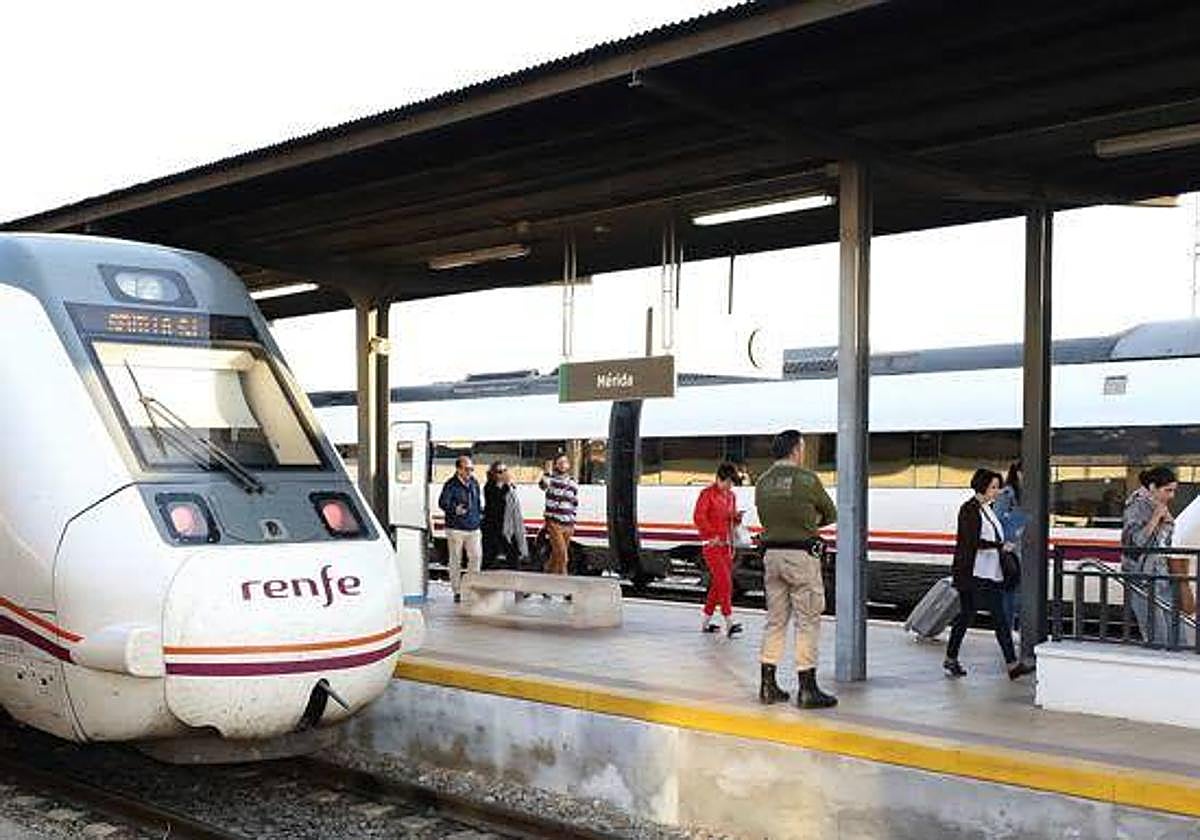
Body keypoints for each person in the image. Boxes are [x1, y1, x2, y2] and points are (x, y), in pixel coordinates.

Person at [755, 429, 838, 709]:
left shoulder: (762, 482)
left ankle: (768, 685)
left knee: (776, 620)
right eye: (802, 447)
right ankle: (807, 688)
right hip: (801, 557)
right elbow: (831, 513)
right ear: (795, 450)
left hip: (772, 557)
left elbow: (765, 516)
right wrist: (809, 523)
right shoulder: (807, 479)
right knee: (807, 620)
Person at [944, 469, 1034, 680]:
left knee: (992, 617)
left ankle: (1010, 665)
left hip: (989, 573)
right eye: (993, 487)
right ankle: (953, 658)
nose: (997, 491)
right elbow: (971, 541)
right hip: (972, 574)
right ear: (982, 486)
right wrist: (1000, 546)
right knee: (970, 616)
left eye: (998, 487)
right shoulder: (969, 509)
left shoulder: (988, 509)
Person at [1122, 466, 1179, 646]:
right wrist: (1155, 518)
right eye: (1167, 490)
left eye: (1173, 491)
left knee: (1175, 631)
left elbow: (1164, 540)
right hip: (1143, 577)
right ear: (1153, 487)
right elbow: (1134, 543)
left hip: (1161, 574)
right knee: (1158, 634)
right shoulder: (1136, 506)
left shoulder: (1158, 503)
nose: (1171, 496)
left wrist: (1168, 524)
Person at [693, 462, 744, 638]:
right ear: (719, 479)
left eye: (732, 483)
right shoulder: (706, 494)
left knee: (717, 586)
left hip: (727, 546)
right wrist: (710, 534)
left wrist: (736, 518)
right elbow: (699, 517)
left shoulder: (731, 496)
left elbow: (729, 519)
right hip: (712, 546)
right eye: (728, 482)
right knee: (726, 583)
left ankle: (705, 624)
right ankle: (729, 622)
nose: (730, 486)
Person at [438, 455, 482, 604]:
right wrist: (454, 509)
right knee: (456, 559)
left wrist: (478, 517)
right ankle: (457, 590)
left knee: (476, 557)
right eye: (467, 469)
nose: (470, 472)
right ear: (458, 469)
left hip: (473, 527)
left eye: (471, 469)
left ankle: (471, 587)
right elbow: (442, 503)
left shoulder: (474, 483)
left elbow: (477, 502)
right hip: (456, 528)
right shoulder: (450, 485)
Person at [992, 460, 1027, 632]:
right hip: (1011, 553)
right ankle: (1006, 632)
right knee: (1010, 595)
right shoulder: (1006, 494)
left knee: (1022, 596)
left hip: (1025, 552)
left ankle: (1018, 631)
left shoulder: (1028, 494)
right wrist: (1006, 543)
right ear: (1018, 473)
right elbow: (997, 521)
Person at [482, 462, 529, 569]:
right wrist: (506, 485)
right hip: (493, 529)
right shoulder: (489, 487)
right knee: (487, 559)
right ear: (493, 474)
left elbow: (515, 509)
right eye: (499, 472)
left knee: (514, 559)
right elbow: (495, 504)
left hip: (508, 528)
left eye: (505, 470)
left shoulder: (510, 488)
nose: (503, 474)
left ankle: (515, 581)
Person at [539, 454, 578, 576]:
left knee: (556, 556)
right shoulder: (551, 480)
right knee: (563, 557)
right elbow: (542, 485)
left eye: (565, 462)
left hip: (568, 524)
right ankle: (565, 587)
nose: (563, 464)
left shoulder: (572, 482)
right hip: (554, 522)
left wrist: (573, 521)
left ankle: (546, 582)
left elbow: (574, 502)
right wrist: (546, 471)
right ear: (556, 465)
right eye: (560, 462)